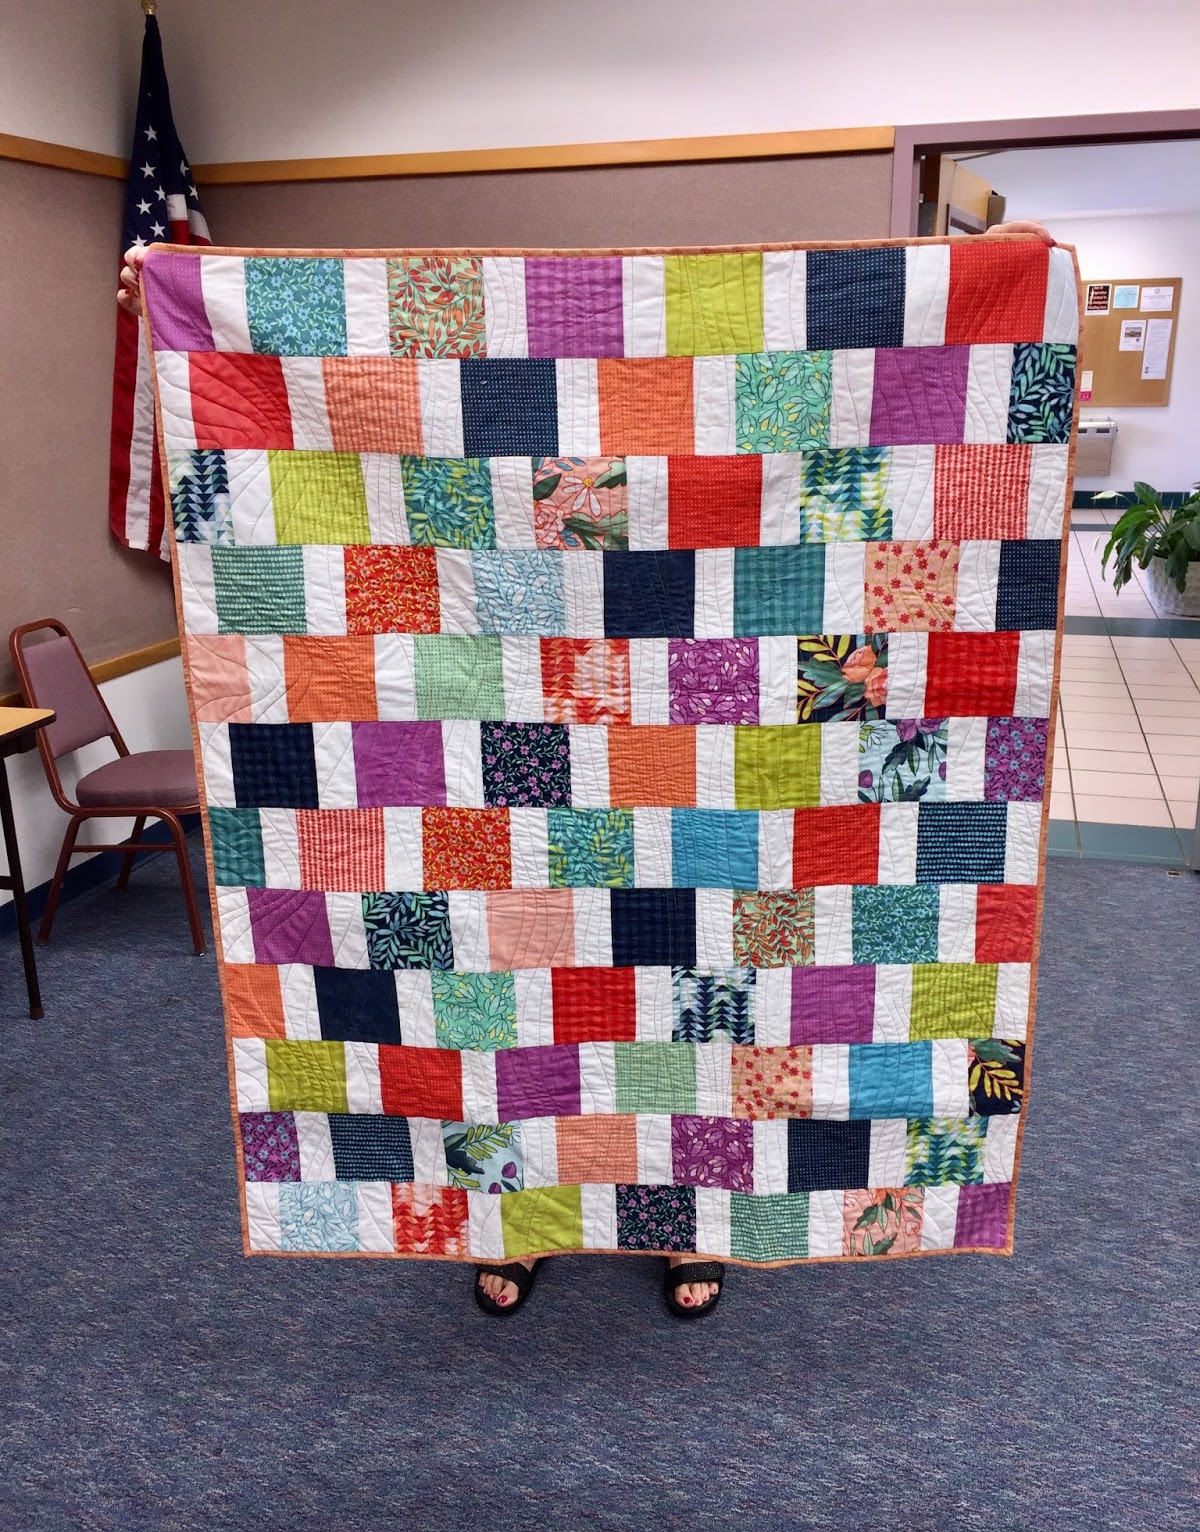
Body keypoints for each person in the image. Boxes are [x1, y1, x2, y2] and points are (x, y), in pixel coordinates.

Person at [119, 218, 1056, 1318]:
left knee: (699, 1002)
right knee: (497, 997)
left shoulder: (709, 444)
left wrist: (1015, 286)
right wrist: (179, 296)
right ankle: (506, 1217)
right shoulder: (497, 439)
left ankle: (687, 1218)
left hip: (710, 781)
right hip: (508, 766)